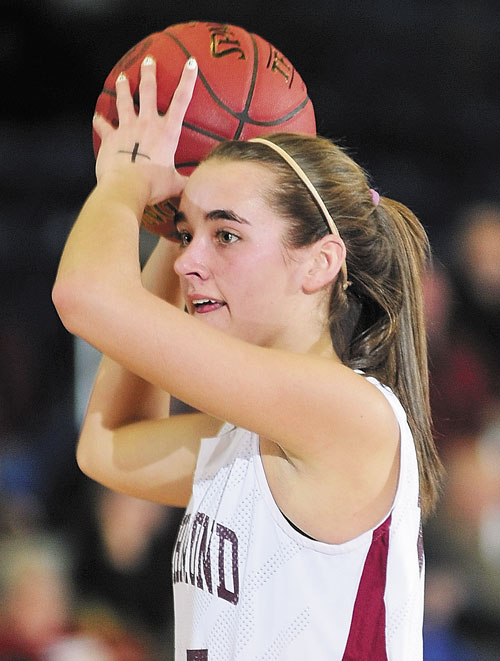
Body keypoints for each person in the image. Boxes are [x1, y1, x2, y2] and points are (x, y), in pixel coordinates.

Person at [52, 55, 442, 660]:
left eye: (226, 235)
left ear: (319, 263)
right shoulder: (257, 434)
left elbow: (85, 296)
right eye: (188, 234)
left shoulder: (346, 412)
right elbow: (108, 446)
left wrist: (128, 177)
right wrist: (167, 225)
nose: (187, 263)